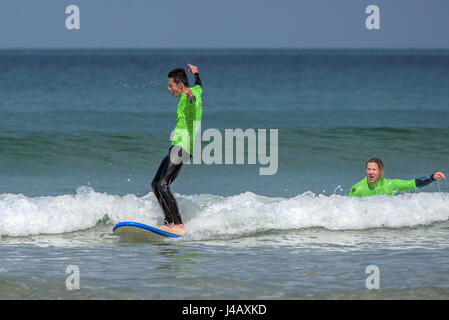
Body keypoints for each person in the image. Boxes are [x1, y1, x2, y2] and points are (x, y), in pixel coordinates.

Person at [151, 64, 203, 233]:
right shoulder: (196, 89)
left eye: (171, 85)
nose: (169, 88)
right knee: (155, 184)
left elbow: (193, 99)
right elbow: (199, 86)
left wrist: (190, 96)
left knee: (163, 184)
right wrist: (196, 73)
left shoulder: (191, 95)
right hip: (178, 146)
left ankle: (178, 224)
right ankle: (168, 222)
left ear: (180, 85)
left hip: (183, 146)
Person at [348, 157, 445, 197]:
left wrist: (432, 177)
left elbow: (414, 183)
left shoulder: (391, 184)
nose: (370, 172)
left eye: (374, 169)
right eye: (368, 169)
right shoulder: (357, 189)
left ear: (380, 171)